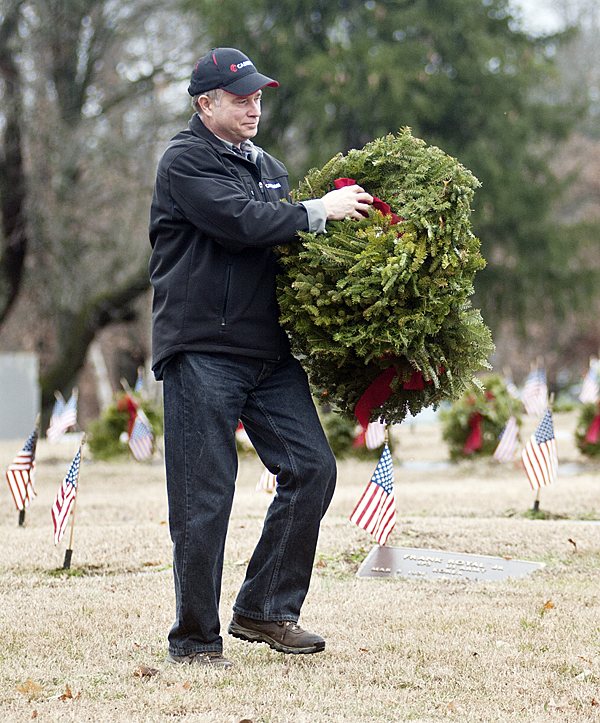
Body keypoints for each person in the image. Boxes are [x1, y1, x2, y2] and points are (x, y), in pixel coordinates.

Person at [149, 47, 372, 669]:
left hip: (267, 354)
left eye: (257, 96)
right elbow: (243, 223)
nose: (254, 106)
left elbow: (286, 242)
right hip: (202, 351)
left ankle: (266, 609)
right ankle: (194, 640)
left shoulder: (268, 165)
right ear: (205, 104)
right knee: (204, 498)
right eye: (240, 97)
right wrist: (314, 212)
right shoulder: (185, 161)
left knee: (313, 469)